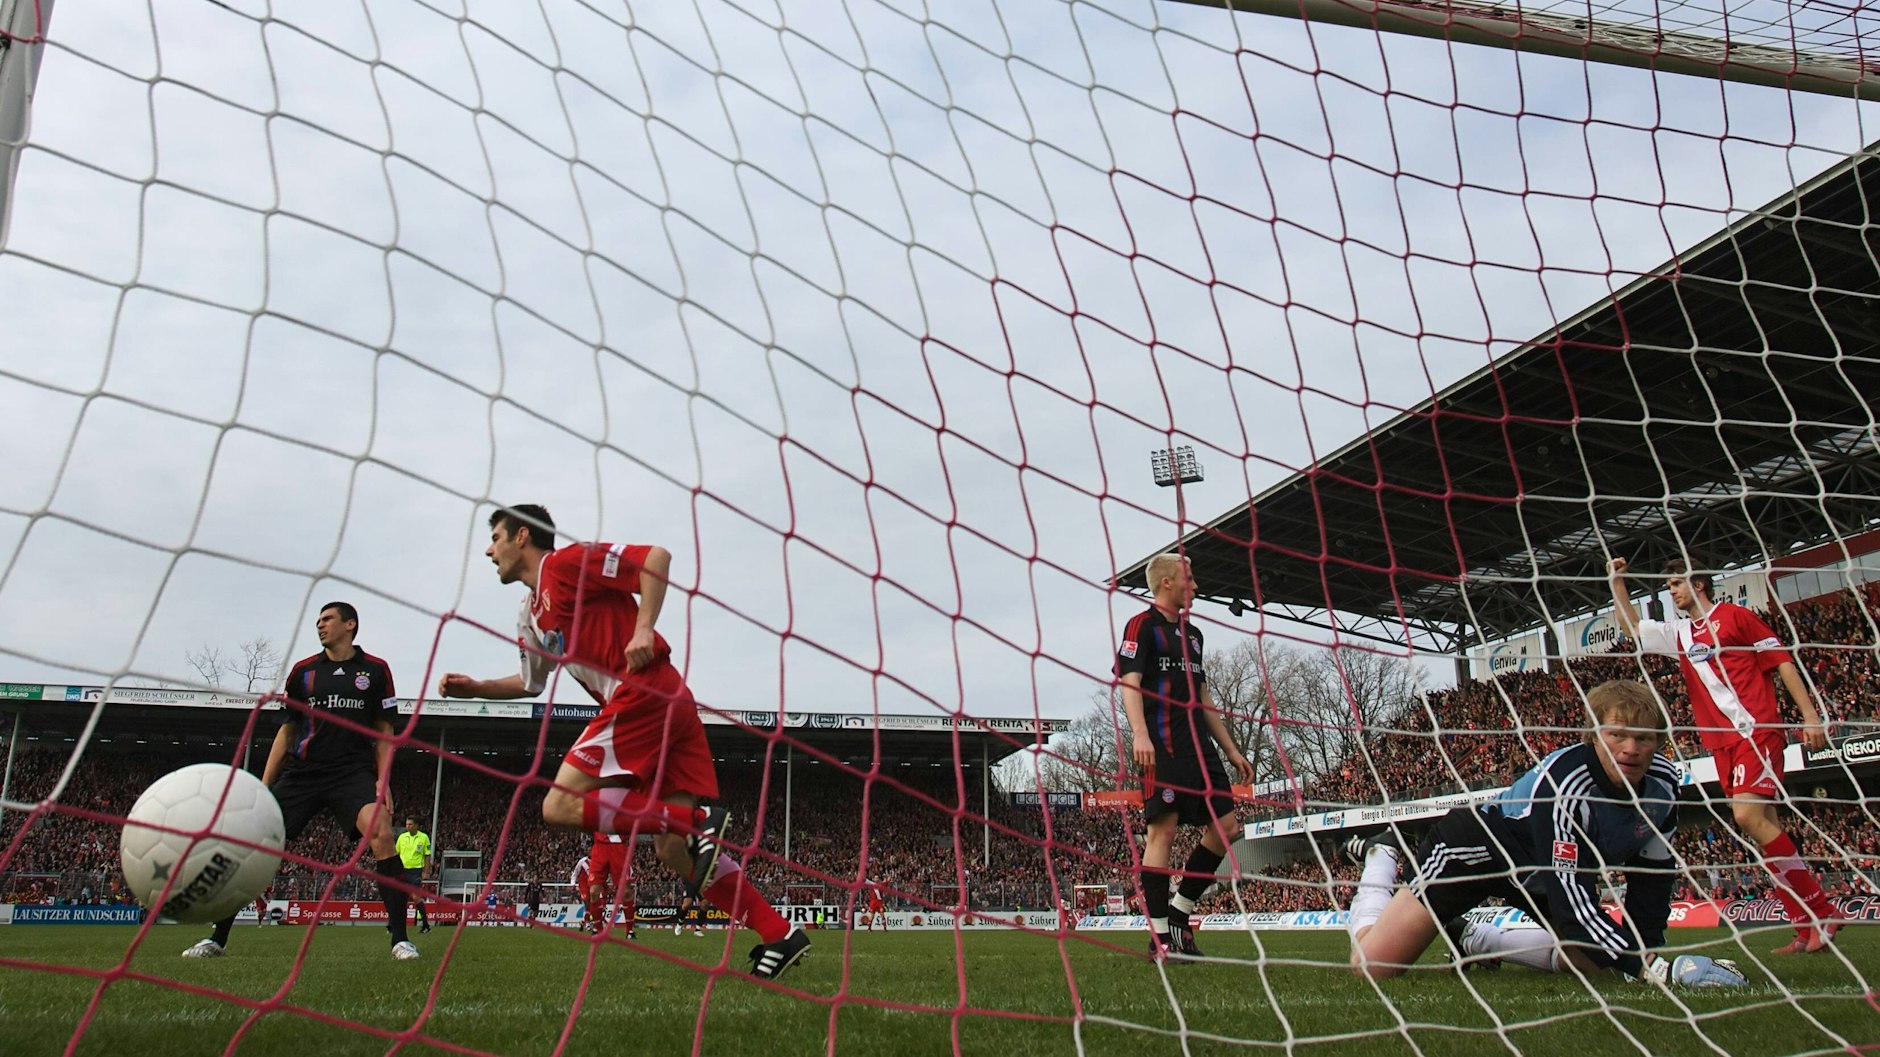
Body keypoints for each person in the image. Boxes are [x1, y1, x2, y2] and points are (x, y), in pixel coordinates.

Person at [437, 505, 808, 978]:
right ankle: (779, 933)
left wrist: (644, 627)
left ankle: (696, 820)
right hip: (664, 705)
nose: (489, 551)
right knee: (673, 850)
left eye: (495, 538)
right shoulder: (529, 614)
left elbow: (655, 558)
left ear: (522, 536)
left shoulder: (566, 564)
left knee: (558, 805)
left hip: (643, 692)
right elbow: (531, 683)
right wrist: (476, 688)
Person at [1346, 680, 1745, 988]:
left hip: (1538, 869)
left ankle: (1474, 938)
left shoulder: (1663, 786)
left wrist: (1645, 954)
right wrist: (1654, 968)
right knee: (1373, 968)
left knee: (1595, 964)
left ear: (1658, 741)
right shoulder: (1564, 787)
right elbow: (1573, 906)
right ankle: (1381, 856)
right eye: (1617, 734)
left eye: (1644, 737)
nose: (1631, 748)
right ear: (1593, 735)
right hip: (1472, 851)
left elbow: (1653, 877)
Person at [1608, 557, 1842, 954]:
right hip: (1722, 744)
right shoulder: (1681, 633)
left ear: (1698, 583)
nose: (1671, 591)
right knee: (1761, 828)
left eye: (1676, 584)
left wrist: (1810, 716)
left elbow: (1782, 661)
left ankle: (1822, 911)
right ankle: (1805, 928)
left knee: (1746, 815)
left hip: (1755, 730)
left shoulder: (1735, 617)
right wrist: (1617, 582)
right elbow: (1632, 628)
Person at [184, 602, 418, 960]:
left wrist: (383, 779)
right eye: (318, 621)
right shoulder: (303, 672)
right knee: (253, 841)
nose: (320, 625)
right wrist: (264, 784)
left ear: (350, 624)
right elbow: (287, 730)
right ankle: (217, 938)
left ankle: (400, 939)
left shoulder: (375, 670)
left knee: (383, 832)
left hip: (352, 773)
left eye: (327, 619)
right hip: (303, 772)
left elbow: (385, 730)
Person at [1116, 553, 1253, 959]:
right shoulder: (1141, 626)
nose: (1195, 587)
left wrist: (1231, 749)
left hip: (1200, 748)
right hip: (1162, 745)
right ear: (1166, 583)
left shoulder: (1194, 635)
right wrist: (1140, 733)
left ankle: (1179, 911)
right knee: (1163, 832)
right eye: (1188, 579)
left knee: (1227, 828)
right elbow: (1130, 682)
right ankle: (1159, 937)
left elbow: (1203, 695)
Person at [574, 833, 635, 937]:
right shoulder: (584, 860)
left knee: (626, 891)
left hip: (619, 846)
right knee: (593, 892)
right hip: (600, 847)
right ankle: (598, 930)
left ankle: (629, 931)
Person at [396, 817, 433, 934]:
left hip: (415, 871)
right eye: (407, 824)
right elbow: (396, 853)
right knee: (399, 898)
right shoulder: (402, 837)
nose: (408, 826)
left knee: (415, 897)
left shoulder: (424, 837)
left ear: (416, 825)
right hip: (402, 871)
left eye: (410, 824)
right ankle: (395, 924)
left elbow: (427, 855)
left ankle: (425, 924)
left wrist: (426, 871)